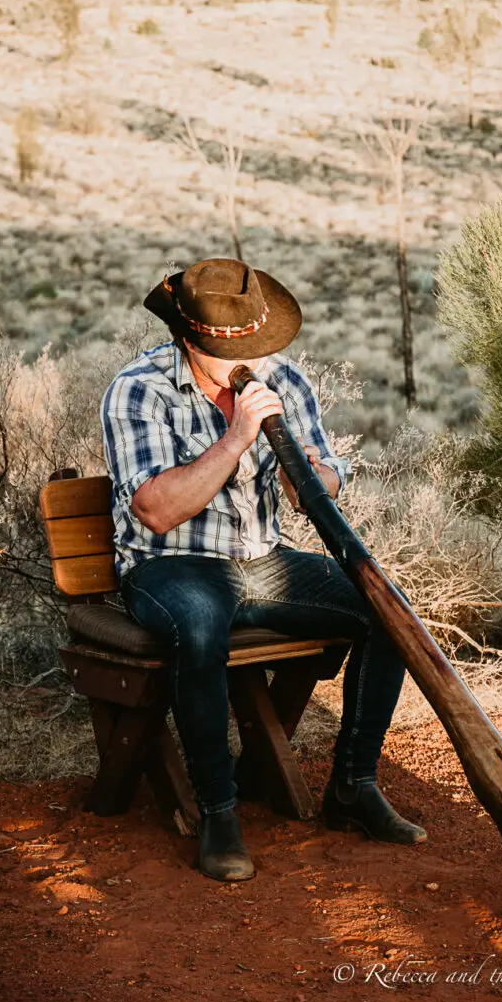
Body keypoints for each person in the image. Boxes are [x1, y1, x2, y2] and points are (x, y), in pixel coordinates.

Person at [100, 257, 427, 882]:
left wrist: (314, 475)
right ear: (188, 338)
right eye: (238, 349)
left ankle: (354, 787)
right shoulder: (138, 389)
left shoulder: (283, 381)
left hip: (262, 561)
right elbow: (157, 508)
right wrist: (237, 437)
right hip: (171, 567)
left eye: (260, 342)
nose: (254, 358)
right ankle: (219, 811)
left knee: (389, 608)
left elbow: (326, 477)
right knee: (198, 629)